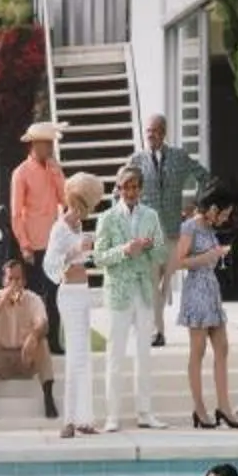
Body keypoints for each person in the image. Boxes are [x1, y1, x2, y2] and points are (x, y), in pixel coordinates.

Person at [94, 163, 167, 431]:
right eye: (126, 187)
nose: (131, 191)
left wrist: (147, 247)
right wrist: (126, 249)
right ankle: (112, 416)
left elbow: (160, 254)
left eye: (135, 186)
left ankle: (145, 413)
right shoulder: (107, 218)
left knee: (143, 354)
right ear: (119, 189)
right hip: (119, 293)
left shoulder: (151, 216)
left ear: (140, 189)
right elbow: (99, 257)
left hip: (144, 291)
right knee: (115, 354)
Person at [133, 112, 207, 347]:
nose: (150, 135)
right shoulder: (137, 160)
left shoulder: (179, 156)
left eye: (155, 131)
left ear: (164, 133)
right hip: (149, 233)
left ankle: (155, 325)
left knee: (165, 283)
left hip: (174, 231)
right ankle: (157, 331)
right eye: (148, 131)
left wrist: (195, 206)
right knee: (153, 282)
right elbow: (120, 190)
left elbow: (204, 177)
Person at [171, 185, 238, 428]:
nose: (225, 218)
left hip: (211, 290)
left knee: (222, 348)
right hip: (196, 291)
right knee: (198, 351)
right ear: (212, 209)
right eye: (223, 213)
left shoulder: (209, 228)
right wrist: (208, 257)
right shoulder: (190, 226)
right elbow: (178, 261)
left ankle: (224, 406)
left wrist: (216, 254)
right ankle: (199, 409)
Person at [45, 172, 104, 437]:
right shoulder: (60, 228)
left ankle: (84, 418)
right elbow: (51, 263)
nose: (86, 211)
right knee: (75, 356)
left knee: (84, 356)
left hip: (82, 292)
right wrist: (74, 251)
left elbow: (81, 255)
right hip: (68, 293)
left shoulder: (79, 227)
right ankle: (68, 420)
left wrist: (86, 249)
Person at [8, 118, 69, 352]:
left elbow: (65, 200)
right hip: (32, 245)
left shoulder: (53, 169)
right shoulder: (20, 173)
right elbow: (15, 213)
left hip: (53, 242)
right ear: (34, 145)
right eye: (47, 143)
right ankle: (30, 341)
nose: (50, 148)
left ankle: (54, 341)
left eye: (51, 143)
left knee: (55, 295)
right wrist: (24, 245)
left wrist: (56, 174)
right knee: (32, 297)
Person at [0, 256, 55, 420]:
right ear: (4, 280)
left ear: (24, 281)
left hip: (25, 358)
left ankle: (48, 398)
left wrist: (33, 336)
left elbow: (43, 324)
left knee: (42, 342)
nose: (14, 284)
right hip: (1, 361)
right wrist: (1, 303)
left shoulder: (33, 299)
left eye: (18, 279)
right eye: (10, 279)